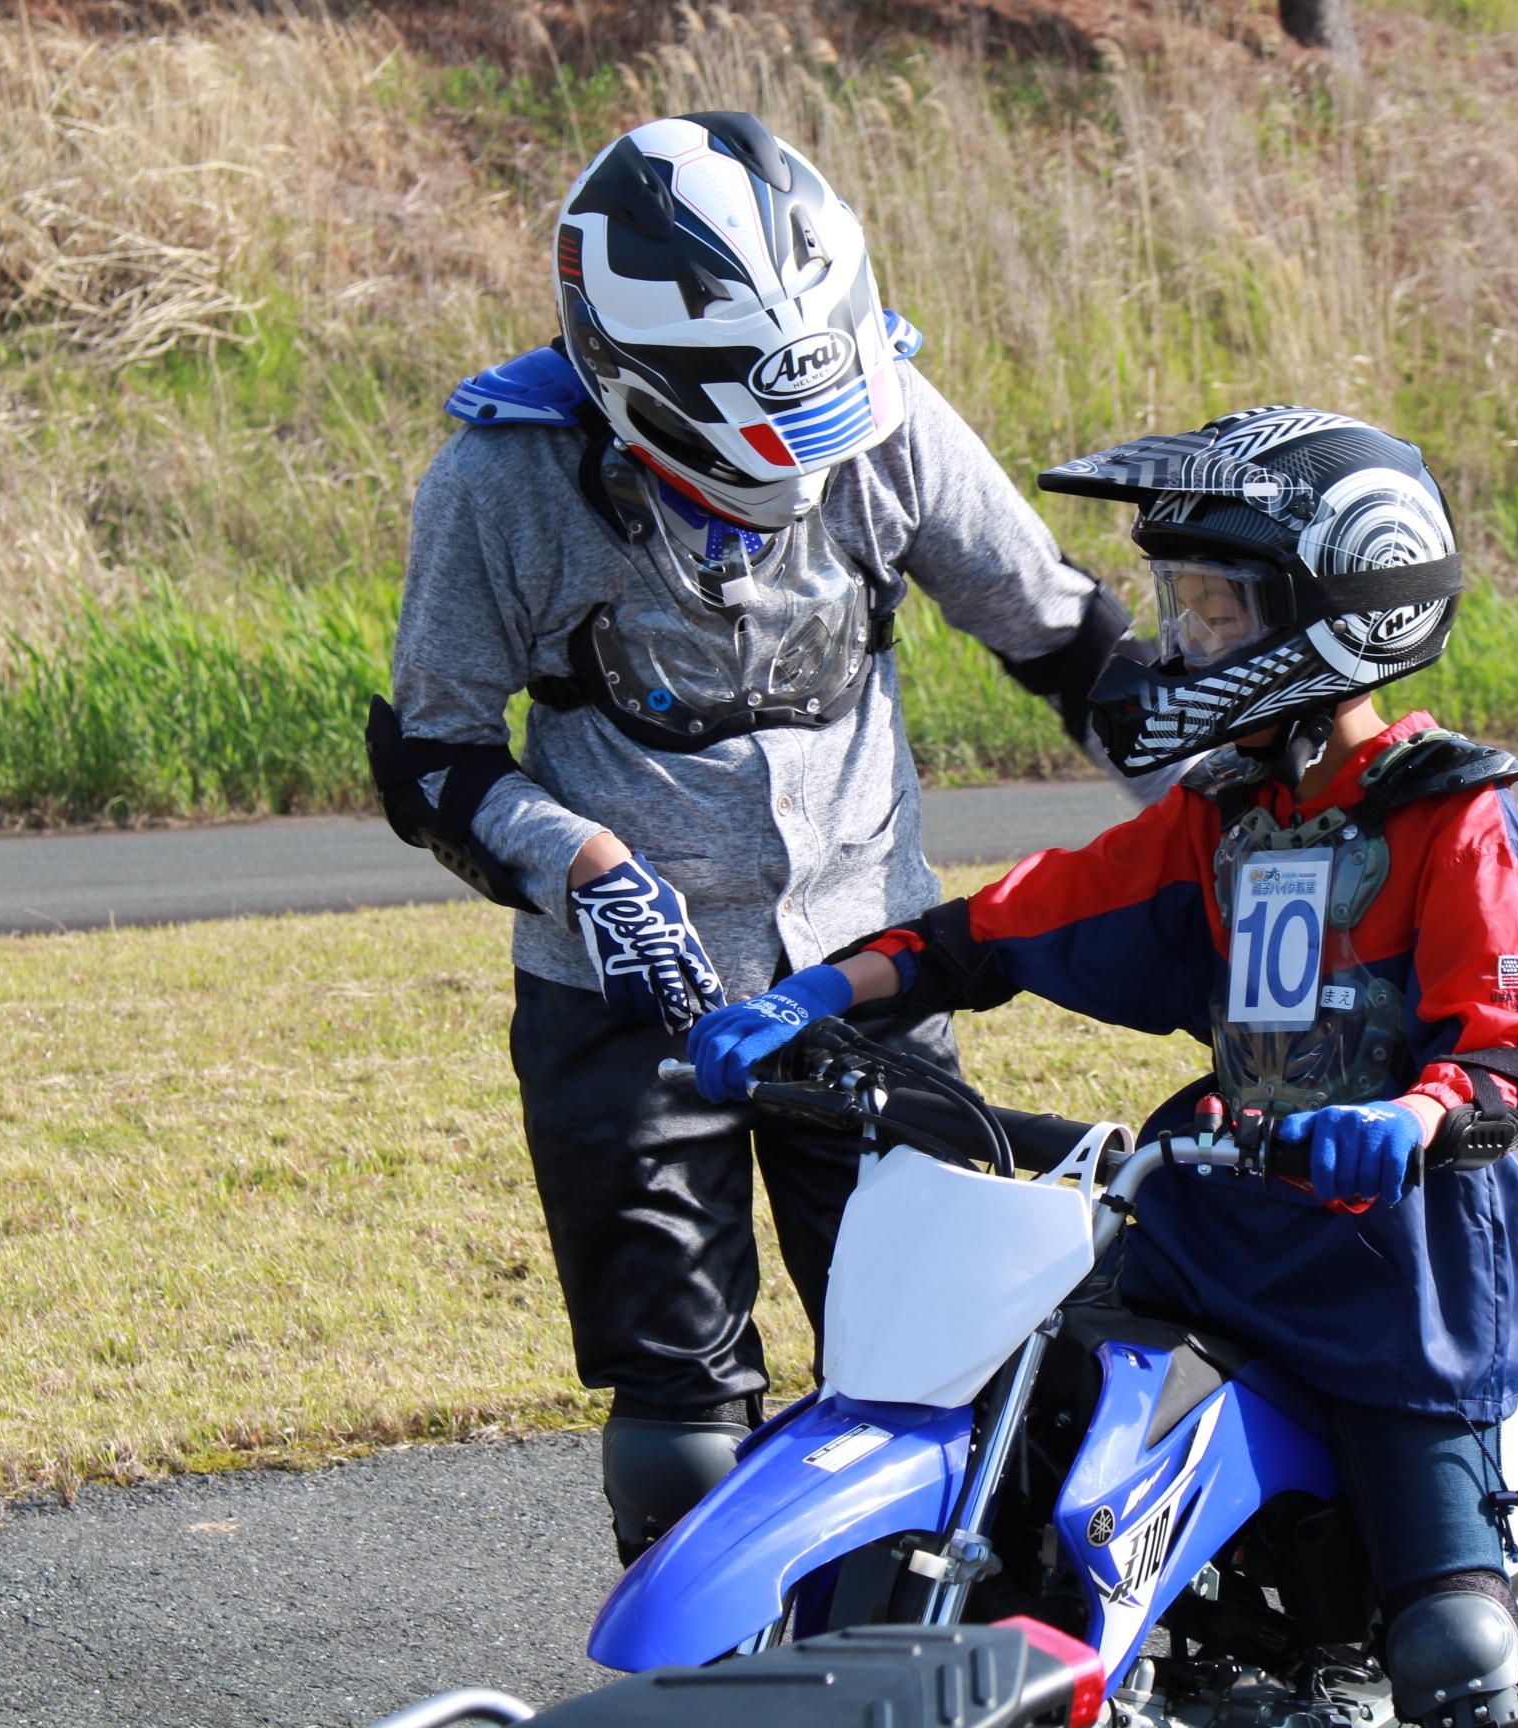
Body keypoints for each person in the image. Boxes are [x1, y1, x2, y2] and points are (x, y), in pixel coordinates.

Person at [690, 406, 1518, 1728]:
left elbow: (1499, 1059)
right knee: (1038, 1434)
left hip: (1396, 1272)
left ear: (1341, 610)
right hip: (1212, 1222)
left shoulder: (1452, 815)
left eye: (1217, 612)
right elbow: (1001, 926)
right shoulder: (1224, 817)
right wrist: (816, 994)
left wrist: (1414, 1114)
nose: (1187, 641)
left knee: (1452, 1650)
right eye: (1186, 609)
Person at [366, 112, 1154, 1563]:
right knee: (685, 1426)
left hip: (865, 980)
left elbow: (1061, 636)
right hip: (621, 1009)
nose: (802, 463)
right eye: (755, 428)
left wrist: (1230, 818)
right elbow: (432, 754)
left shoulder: (892, 422)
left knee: (945, 1369)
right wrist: (584, 866)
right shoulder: (503, 479)